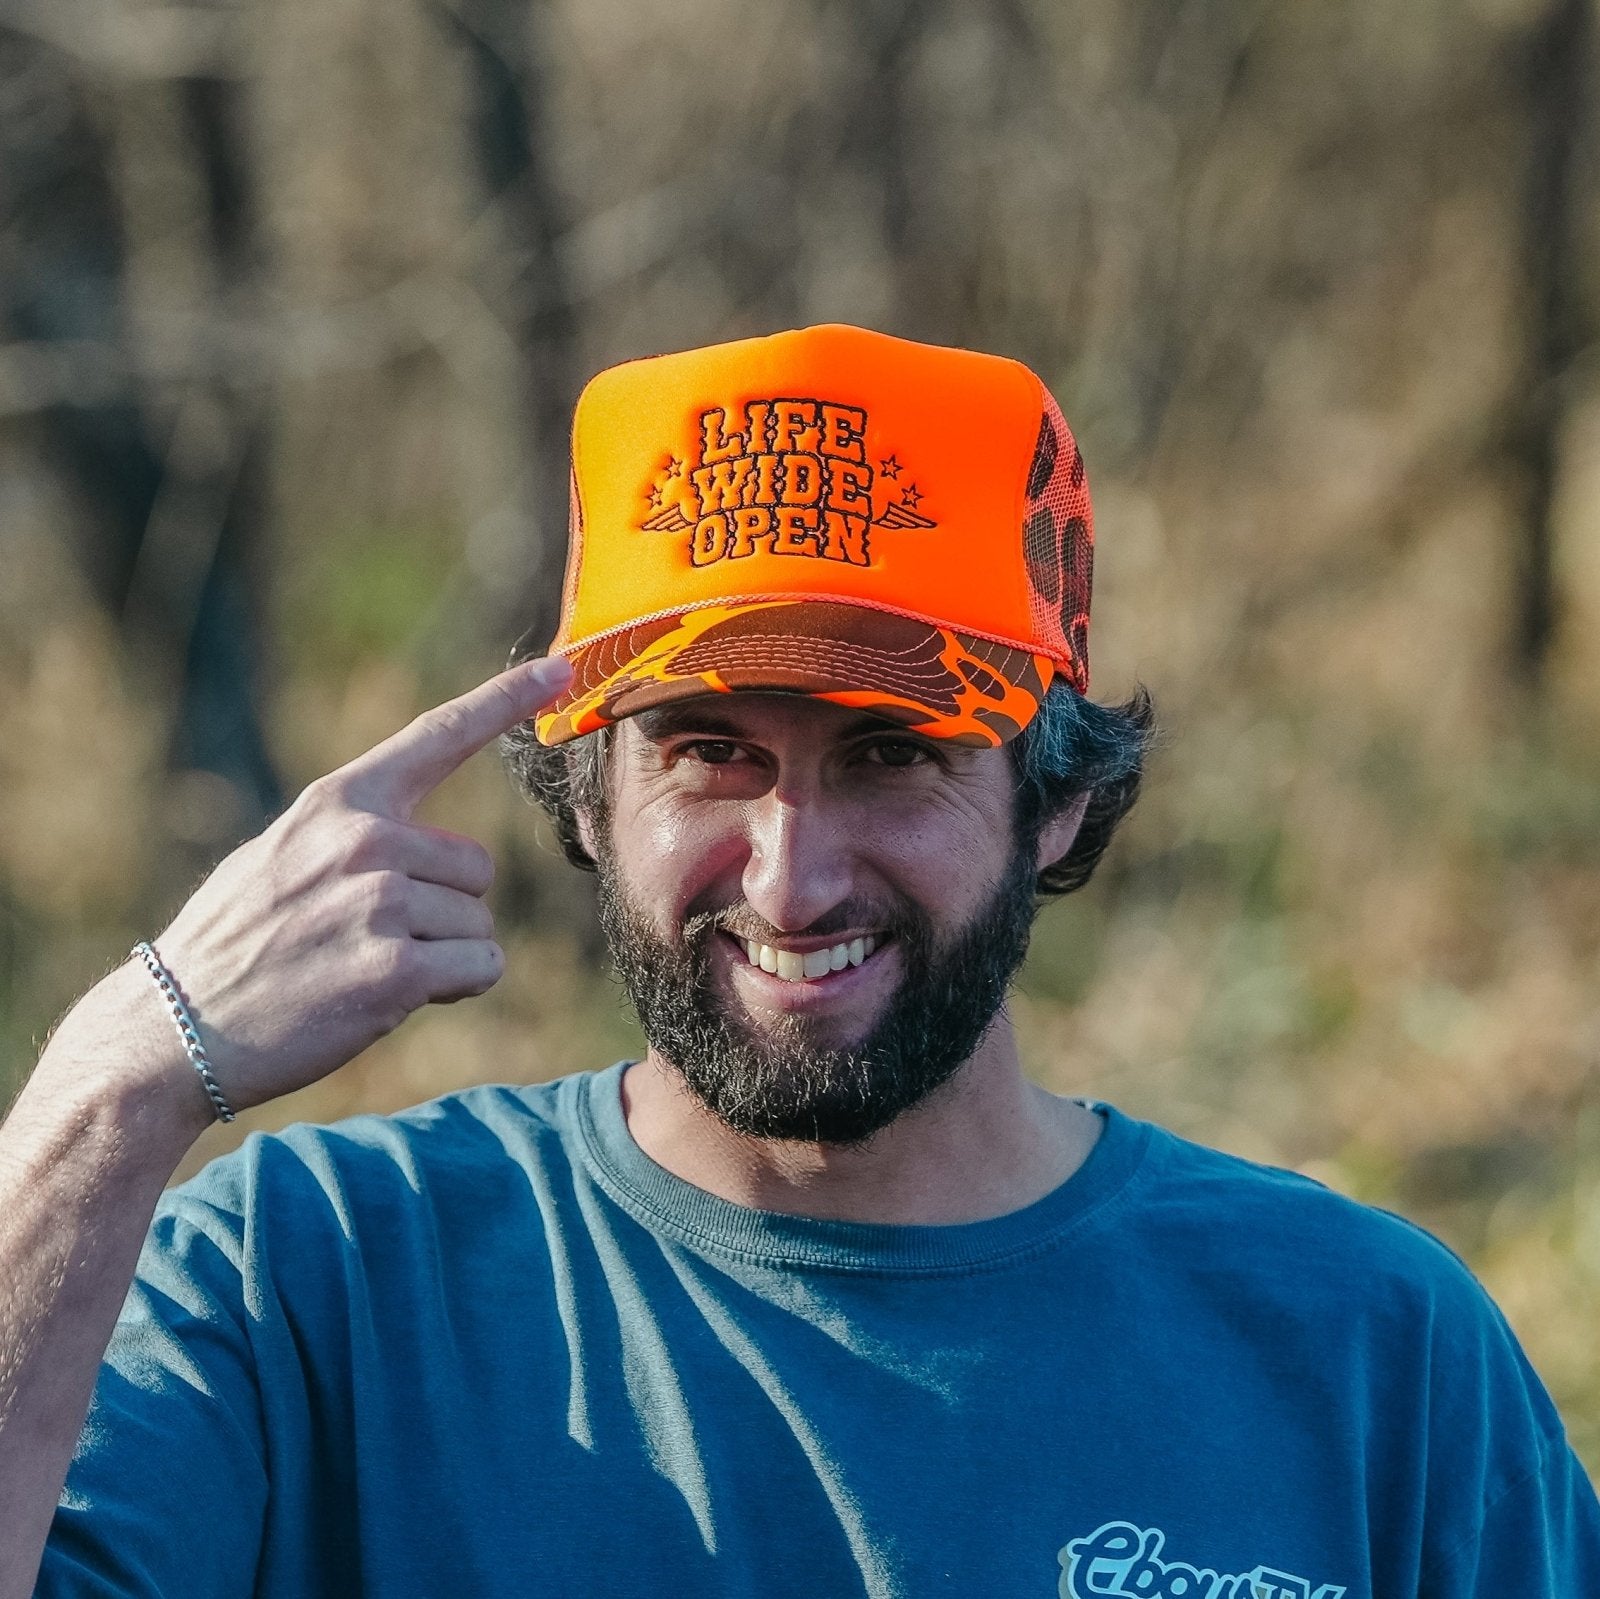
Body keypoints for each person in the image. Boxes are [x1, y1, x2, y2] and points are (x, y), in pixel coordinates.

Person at [4, 325, 1597, 1599]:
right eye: (708, 753)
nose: (792, 873)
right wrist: (109, 1091)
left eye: (892, 755)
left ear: (1060, 803)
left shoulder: (1368, 1354)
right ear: (587, 800)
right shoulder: (309, 1288)